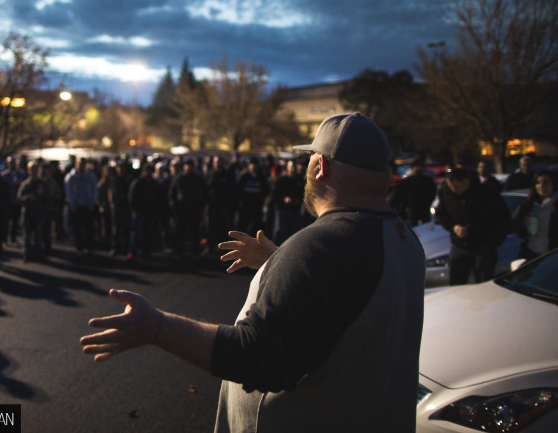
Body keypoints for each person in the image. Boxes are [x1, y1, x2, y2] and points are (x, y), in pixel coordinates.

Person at [81, 113, 425, 432]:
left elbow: (260, 357)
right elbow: (341, 300)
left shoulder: (325, 245)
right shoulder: (405, 239)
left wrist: (157, 327)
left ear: (321, 166)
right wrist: (281, 260)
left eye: (308, 158)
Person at [436, 167, 512, 285]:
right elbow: (441, 215)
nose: (454, 190)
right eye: (451, 187)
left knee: (483, 284)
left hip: (483, 247)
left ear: (466, 181)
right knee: (457, 284)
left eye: (457, 187)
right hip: (459, 246)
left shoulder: (487, 194)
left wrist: (492, 243)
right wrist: (453, 227)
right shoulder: (448, 194)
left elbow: (503, 219)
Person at [513, 170, 558, 260]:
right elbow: (520, 233)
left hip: (553, 256)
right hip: (532, 254)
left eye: (546, 183)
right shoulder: (528, 206)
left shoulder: (555, 205)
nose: (541, 186)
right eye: (538, 183)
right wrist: (525, 226)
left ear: (554, 185)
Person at [18, 162, 52, 262]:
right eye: (32, 169)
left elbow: (49, 197)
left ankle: (39, 254)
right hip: (28, 213)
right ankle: (27, 254)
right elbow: (19, 198)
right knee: (27, 235)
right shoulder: (25, 184)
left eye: (36, 169)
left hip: (40, 213)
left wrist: (41, 194)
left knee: (39, 235)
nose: (34, 172)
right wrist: (28, 198)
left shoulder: (44, 184)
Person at [65, 158, 97, 257]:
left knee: (89, 228)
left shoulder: (90, 176)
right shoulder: (71, 177)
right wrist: (72, 204)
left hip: (87, 205)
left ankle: (90, 247)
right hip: (76, 206)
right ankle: (80, 248)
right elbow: (68, 192)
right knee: (78, 229)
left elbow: (94, 190)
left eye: (83, 164)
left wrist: (92, 203)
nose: (81, 166)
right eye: (80, 164)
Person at [395, 155, 437, 226]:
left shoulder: (427, 181)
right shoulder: (408, 181)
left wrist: (428, 202)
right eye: (417, 166)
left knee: (426, 226)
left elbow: (432, 193)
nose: (419, 168)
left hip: (424, 208)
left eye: (420, 166)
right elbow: (403, 195)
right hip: (412, 209)